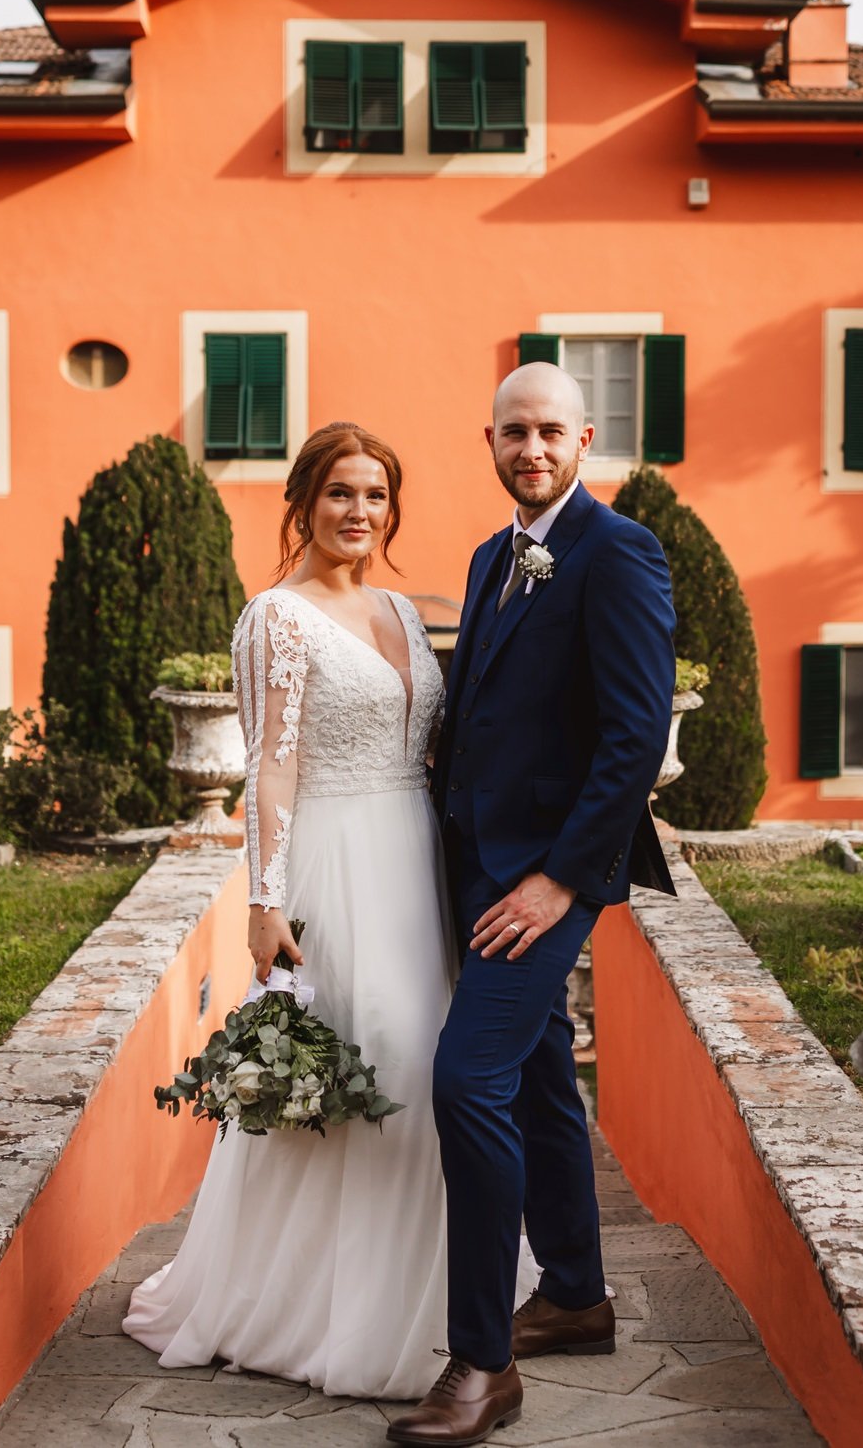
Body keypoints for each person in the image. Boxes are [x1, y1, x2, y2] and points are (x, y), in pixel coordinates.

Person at [123, 420, 535, 1400]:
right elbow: (268, 767)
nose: (360, 512)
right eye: (341, 493)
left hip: (416, 868)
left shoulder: (399, 604)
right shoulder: (274, 616)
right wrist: (263, 901)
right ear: (303, 502)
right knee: (361, 1066)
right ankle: (325, 1310)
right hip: (333, 866)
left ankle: (442, 1305)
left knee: (432, 1068)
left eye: (376, 495)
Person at [389, 363, 677, 1447]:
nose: (531, 449)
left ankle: (482, 1362)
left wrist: (559, 878)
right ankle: (574, 1291)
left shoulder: (619, 551)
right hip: (473, 866)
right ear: (490, 440)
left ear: (584, 437)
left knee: (467, 1079)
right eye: (513, 432)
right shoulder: (487, 556)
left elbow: (632, 736)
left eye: (549, 431)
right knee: (543, 1067)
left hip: (546, 879)